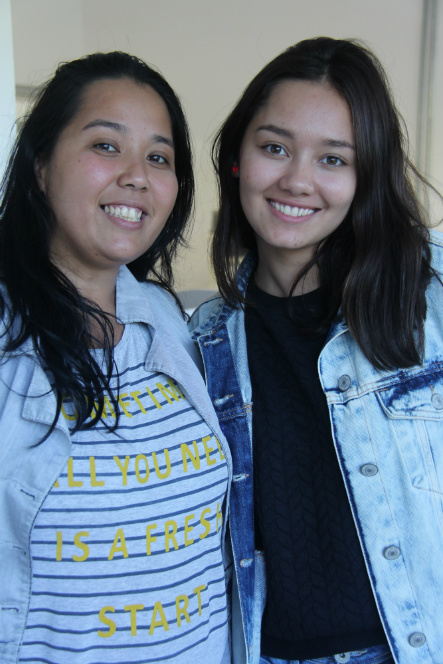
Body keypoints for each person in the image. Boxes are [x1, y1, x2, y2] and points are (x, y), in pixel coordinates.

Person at [190, 37, 443, 664]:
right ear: (238, 161)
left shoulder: (431, 294)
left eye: (334, 159)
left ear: (366, 176)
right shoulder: (204, 341)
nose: (297, 180)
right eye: (274, 147)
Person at [0, 51, 232, 664]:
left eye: (159, 157)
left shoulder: (174, 326)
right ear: (41, 165)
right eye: (107, 145)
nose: (137, 175)